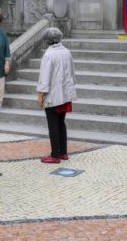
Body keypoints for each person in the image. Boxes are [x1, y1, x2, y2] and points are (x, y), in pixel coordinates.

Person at [36, 27, 77, 164]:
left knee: (53, 125)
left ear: (46, 40)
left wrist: (40, 95)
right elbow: (72, 73)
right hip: (65, 93)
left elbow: (44, 77)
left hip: (53, 95)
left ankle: (54, 155)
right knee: (61, 123)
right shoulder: (67, 52)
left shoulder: (48, 55)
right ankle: (63, 152)